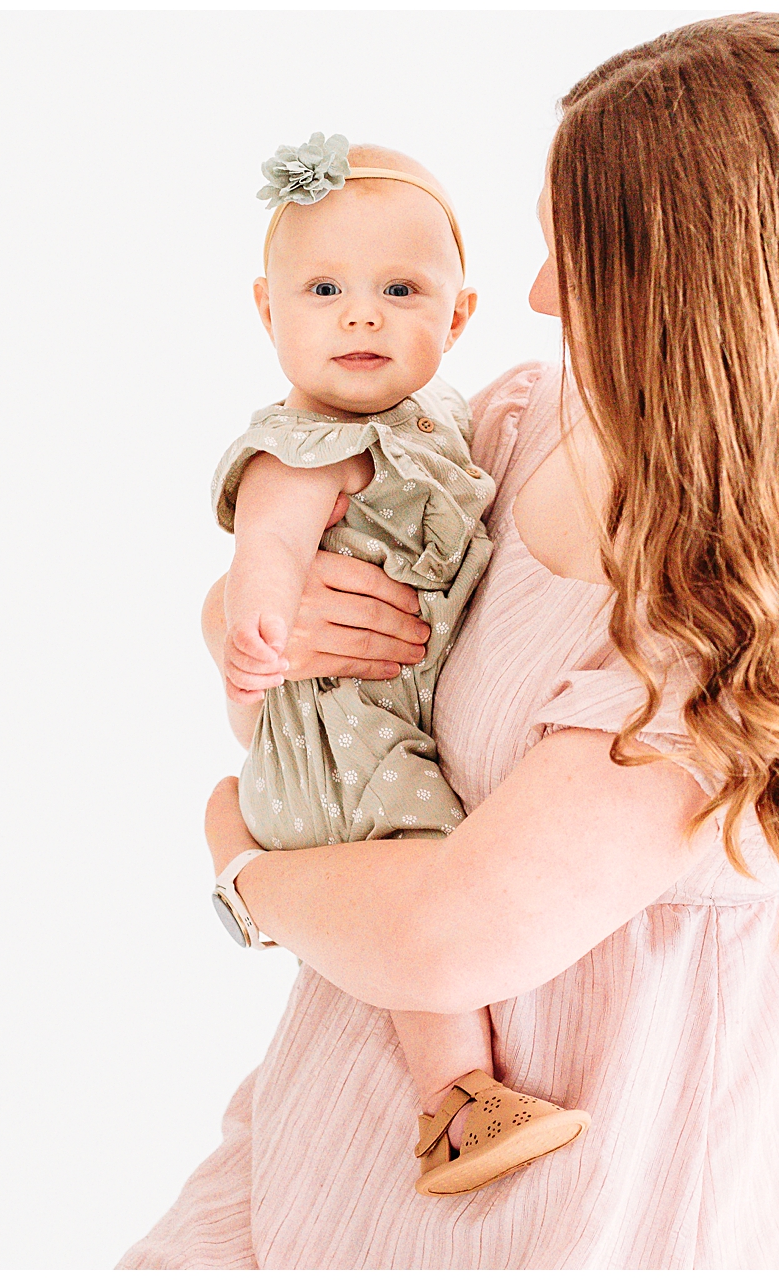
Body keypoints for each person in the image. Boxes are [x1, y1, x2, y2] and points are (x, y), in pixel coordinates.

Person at [121, 11, 779, 1268]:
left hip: (566, 1220)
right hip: (316, 1142)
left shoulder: (725, 639)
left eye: (573, 254)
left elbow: (447, 932)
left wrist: (240, 869)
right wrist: (254, 606)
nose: (534, 294)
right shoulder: (514, 427)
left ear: (697, 292)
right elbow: (282, 641)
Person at [213, 132, 590, 1197]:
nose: (360, 314)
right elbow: (269, 546)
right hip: (341, 730)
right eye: (323, 287)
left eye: (399, 288)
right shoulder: (305, 441)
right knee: (422, 850)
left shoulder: (445, 425)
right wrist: (249, 623)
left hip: (378, 709)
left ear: (457, 317)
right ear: (267, 311)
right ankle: (456, 1100)